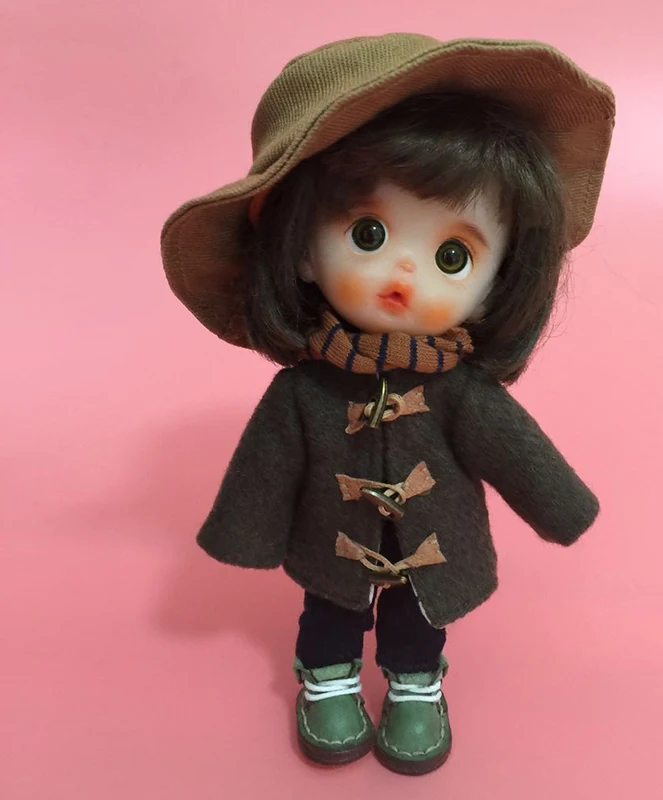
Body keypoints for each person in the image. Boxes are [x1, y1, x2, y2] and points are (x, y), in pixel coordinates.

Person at [161, 33, 615, 775]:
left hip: (431, 545)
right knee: (329, 610)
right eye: (367, 233)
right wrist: (246, 533)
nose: (405, 269)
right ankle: (328, 678)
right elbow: (264, 470)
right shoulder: (305, 391)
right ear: (301, 248)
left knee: (417, 618)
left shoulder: (461, 394)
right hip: (330, 541)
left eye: (453, 256)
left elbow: (517, 452)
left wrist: (562, 507)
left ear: (497, 282)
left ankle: (415, 686)